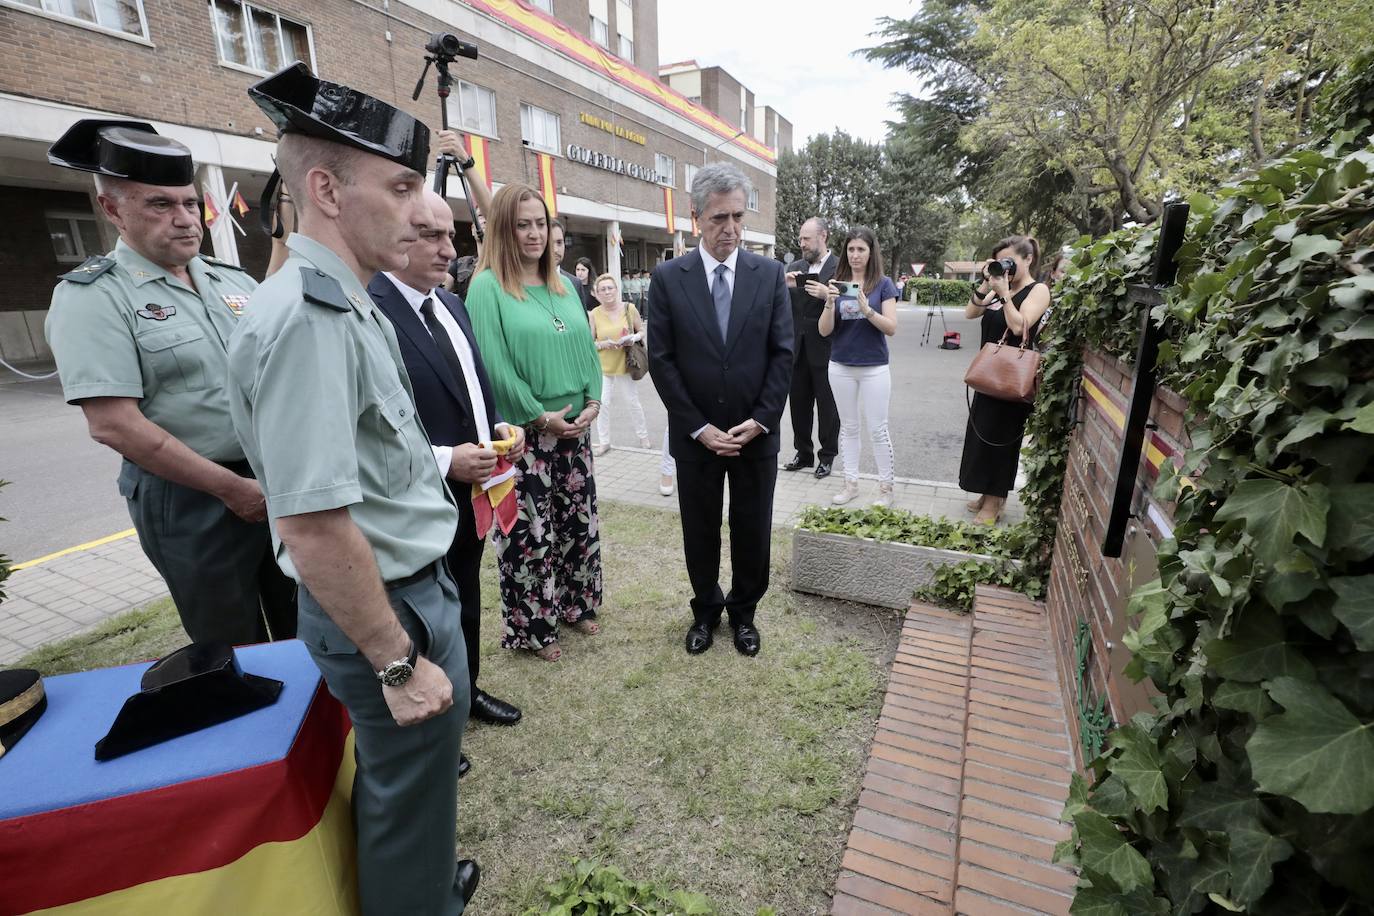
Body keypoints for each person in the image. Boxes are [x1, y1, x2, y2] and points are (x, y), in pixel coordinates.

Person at [226, 63, 479, 912]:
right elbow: (316, 525)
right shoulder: (308, 317)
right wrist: (399, 662)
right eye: (401, 186)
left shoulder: (348, 297)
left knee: (415, 790)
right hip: (385, 606)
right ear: (327, 189)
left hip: (407, 586)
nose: (419, 210)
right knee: (405, 802)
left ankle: (423, 885)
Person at [43, 119, 296, 647]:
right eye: (161, 205)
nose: (185, 220)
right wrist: (231, 489)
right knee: (233, 651)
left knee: (308, 630)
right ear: (113, 210)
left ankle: (323, 731)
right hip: (192, 500)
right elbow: (114, 425)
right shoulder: (93, 296)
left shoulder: (229, 279)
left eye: (189, 204)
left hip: (270, 483)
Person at [367, 189, 527, 776]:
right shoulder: (372, 310)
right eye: (431, 235)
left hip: (473, 488)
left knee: (464, 590)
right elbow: (372, 429)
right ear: (394, 238)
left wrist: (497, 427)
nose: (448, 248)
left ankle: (467, 690)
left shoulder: (451, 305)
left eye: (450, 235)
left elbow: (469, 391)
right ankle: (433, 720)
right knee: (422, 610)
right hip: (416, 493)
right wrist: (443, 460)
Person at [647, 162, 793, 658]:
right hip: (697, 440)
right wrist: (699, 428)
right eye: (718, 219)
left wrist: (762, 419)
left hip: (756, 436)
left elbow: (783, 354)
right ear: (696, 218)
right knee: (701, 530)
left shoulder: (770, 275)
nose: (730, 229)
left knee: (752, 529)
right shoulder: (668, 278)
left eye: (737, 217)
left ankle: (745, 613)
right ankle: (705, 610)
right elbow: (661, 361)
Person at [465, 183, 605, 662]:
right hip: (524, 435)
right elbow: (494, 364)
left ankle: (577, 605)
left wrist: (595, 401)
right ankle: (535, 627)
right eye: (522, 224)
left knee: (577, 523)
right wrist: (540, 415)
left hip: (576, 430)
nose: (533, 233)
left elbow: (587, 348)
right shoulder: (487, 287)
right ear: (503, 228)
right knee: (529, 535)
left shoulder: (565, 285)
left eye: (540, 223)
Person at [959, 235, 1051, 524]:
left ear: (1028, 259)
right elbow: (971, 312)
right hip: (989, 373)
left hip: (1013, 377)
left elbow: (1020, 326)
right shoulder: (1000, 287)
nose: (1007, 267)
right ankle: (986, 495)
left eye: (1011, 260)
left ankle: (996, 502)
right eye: (1001, 261)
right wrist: (989, 283)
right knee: (983, 434)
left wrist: (1006, 294)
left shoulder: (1038, 290)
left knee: (1001, 440)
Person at [818, 226, 900, 507]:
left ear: (870, 252)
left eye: (860, 249)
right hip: (840, 366)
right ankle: (850, 484)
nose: (855, 255)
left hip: (874, 367)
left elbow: (891, 328)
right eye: (851, 249)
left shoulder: (884, 284)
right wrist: (829, 304)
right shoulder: (837, 283)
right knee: (849, 428)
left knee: (878, 429)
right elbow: (824, 331)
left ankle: (886, 488)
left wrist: (867, 310)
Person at [783, 217, 840, 478]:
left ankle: (826, 457)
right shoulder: (794, 268)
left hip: (828, 348)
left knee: (827, 406)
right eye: (801, 239)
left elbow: (851, 307)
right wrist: (783, 284)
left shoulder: (841, 269)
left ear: (823, 236)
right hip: (797, 348)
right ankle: (803, 453)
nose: (802, 243)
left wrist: (826, 296)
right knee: (799, 404)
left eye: (806, 238)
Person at [588, 273, 650, 455]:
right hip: (604, 365)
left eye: (610, 288)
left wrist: (633, 338)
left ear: (616, 290)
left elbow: (641, 331)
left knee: (633, 402)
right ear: (597, 293)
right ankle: (604, 441)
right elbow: (590, 343)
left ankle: (643, 436)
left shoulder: (629, 308)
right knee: (602, 403)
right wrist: (604, 344)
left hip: (625, 362)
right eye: (602, 289)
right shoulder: (595, 314)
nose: (607, 292)